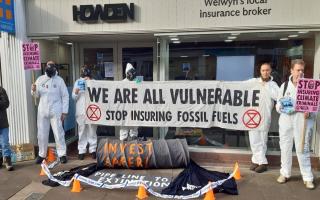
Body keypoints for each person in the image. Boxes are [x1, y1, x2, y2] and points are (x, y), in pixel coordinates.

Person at [276, 59, 315, 189]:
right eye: (298, 70)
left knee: (302, 149)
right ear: (292, 70)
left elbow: (316, 106)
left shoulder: (310, 86)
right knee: (285, 148)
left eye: (302, 70)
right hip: (286, 122)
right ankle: (285, 173)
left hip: (302, 122)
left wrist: (310, 112)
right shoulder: (284, 86)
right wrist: (284, 107)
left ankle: (308, 177)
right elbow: (277, 106)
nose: (300, 73)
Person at [31, 61, 69, 164]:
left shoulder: (59, 80)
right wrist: (33, 90)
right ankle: (42, 154)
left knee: (58, 132)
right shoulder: (40, 79)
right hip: (43, 110)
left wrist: (64, 111)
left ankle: (62, 154)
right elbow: (36, 96)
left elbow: (65, 96)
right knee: (42, 133)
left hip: (56, 110)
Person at [247, 62, 279, 173]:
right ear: (260, 71)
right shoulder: (253, 82)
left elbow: (277, 96)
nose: (265, 72)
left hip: (265, 116)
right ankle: (256, 160)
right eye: (263, 70)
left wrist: (266, 87)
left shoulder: (273, 84)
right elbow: (240, 86)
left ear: (270, 71)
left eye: (267, 70)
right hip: (252, 114)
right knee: (253, 139)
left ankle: (263, 163)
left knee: (262, 139)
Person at [72, 66, 97, 160]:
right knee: (82, 131)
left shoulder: (94, 81)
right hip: (81, 110)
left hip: (92, 110)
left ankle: (93, 149)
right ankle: (81, 150)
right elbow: (74, 97)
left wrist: (91, 82)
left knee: (92, 130)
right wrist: (76, 92)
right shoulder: (77, 82)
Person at [119, 63, 138, 141]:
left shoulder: (138, 80)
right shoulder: (122, 82)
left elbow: (145, 86)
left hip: (135, 106)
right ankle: (123, 139)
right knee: (124, 124)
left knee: (134, 124)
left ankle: (134, 137)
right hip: (125, 107)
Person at [0, 86, 13, 171]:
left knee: (5, 143)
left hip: (3, 123)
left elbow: (6, 103)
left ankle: (8, 161)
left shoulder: (1, 90)